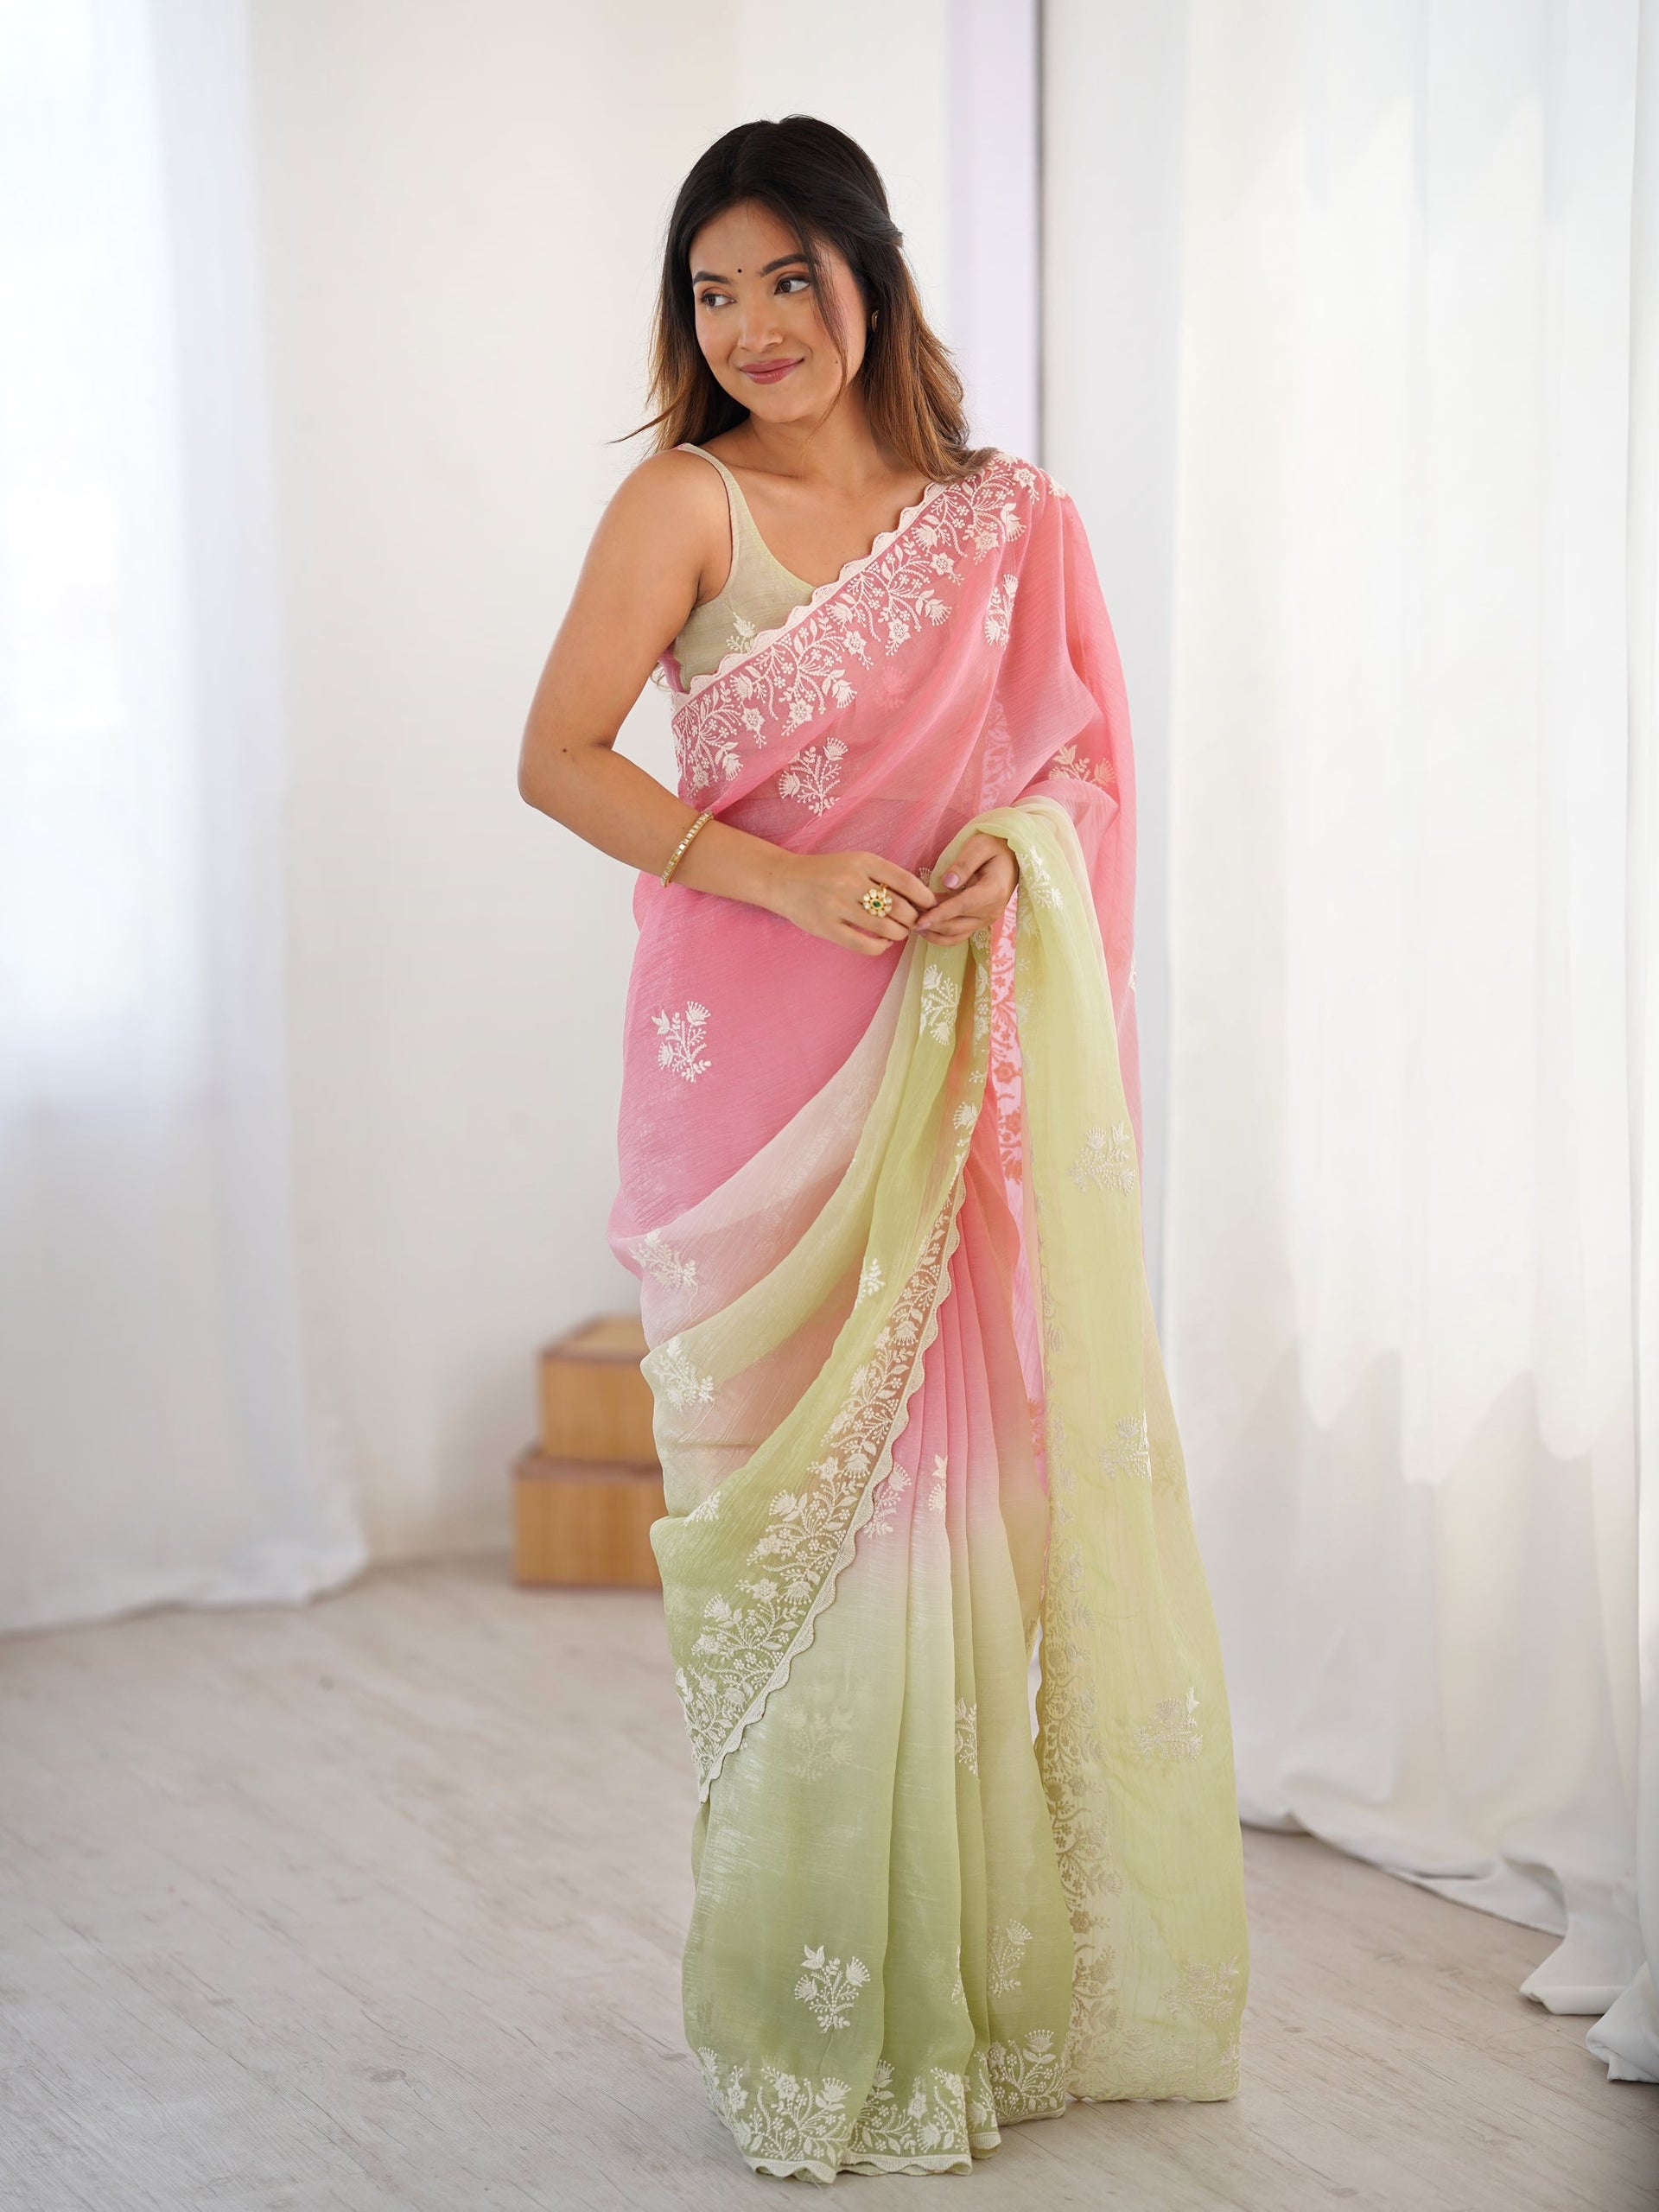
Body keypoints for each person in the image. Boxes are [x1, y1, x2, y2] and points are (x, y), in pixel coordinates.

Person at [518, 113, 1248, 2185]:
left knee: (956, 1543)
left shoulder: (1007, 522)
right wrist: (780, 877)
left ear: (870, 272)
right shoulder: (685, 502)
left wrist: (1013, 860)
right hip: (757, 1090)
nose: (751, 325)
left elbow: (1082, 772)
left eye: (785, 277)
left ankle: (965, 2001)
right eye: (711, 291)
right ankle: (814, 2011)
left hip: (953, 1080)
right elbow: (556, 754)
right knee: (805, 1555)